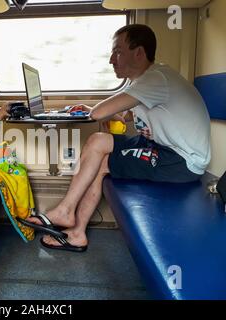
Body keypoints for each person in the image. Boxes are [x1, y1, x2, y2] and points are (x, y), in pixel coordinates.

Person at [18, 24, 211, 252]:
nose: (111, 60)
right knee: (99, 141)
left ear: (138, 52)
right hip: (163, 148)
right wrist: (89, 107)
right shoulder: (143, 81)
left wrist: (93, 109)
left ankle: (69, 218)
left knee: (101, 160)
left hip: (181, 161)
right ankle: (71, 222)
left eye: (117, 51)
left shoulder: (156, 79)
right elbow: (126, 116)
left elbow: (99, 113)